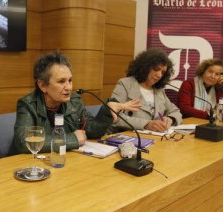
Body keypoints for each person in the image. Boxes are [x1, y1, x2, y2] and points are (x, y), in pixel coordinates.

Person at [10, 52, 139, 154]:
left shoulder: (74, 101)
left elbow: (92, 130)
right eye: (61, 82)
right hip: (30, 165)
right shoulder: (28, 104)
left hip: (63, 162)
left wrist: (107, 111)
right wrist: (71, 139)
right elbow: (24, 143)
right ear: (43, 85)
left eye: (70, 80)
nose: (69, 87)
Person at [109, 48, 182, 133]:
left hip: (155, 139)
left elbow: (175, 111)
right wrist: (146, 124)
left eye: (163, 72)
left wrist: (170, 119)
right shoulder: (125, 84)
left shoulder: (158, 90)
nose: (159, 75)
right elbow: (113, 115)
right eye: (156, 69)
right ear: (145, 67)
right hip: (128, 138)